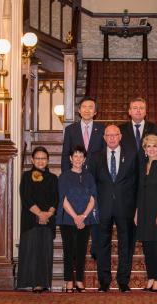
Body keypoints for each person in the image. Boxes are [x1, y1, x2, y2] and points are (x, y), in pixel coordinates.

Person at [90, 125, 138, 293]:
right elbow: (92, 184)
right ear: (104, 137)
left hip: (126, 207)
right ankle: (104, 281)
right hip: (103, 207)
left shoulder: (132, 155)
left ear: (120, 136)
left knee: (126, 245)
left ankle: (123, 281)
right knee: (102, 245)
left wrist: (137, 208)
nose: (111, 138)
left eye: (115, 135)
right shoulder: (95, 157)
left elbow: (136, 183)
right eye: (108, 135)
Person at [61, 96, 105, 259]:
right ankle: (75, 248)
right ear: (79, 110)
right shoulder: (71, 130)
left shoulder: (101, 129)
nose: (87, 110)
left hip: (95, 178)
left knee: (93, 211)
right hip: (75, 177)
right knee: (77, 209)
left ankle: (94, 247)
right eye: (84, 107)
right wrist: (67, 177)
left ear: (95, 112)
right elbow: (66, 154)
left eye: (90, 107)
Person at [56, 146, 99, 293]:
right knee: (68, 250)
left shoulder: (89, 176)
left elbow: (93, 198)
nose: (78, 159)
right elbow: (63, 199)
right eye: (75, 156)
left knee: (81, 250)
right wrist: (75, 217)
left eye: (81, 156)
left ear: (85, 159)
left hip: (85, 219)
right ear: (70, 158)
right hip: (68, 219)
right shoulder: (64, 176)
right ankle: (68, 281)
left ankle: (79, 280)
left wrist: (84, 216)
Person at [17, 146, 58, 293]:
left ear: (47, 160)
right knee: (32, 251)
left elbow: (56, 200)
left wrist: (47, 214)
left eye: (44, 158)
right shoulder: (26, 176)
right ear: (32, 160)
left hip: (48, 221)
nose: (41, 161)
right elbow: (26, 198)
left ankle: (44, 282)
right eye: (38, 158)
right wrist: (40, 214)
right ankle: (33, 282)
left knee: (44, 252)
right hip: (31, 220)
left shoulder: (53, 178)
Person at [134, 134, 157, 293]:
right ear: (144, 149)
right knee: (147, 247)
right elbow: (139, 191)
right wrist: (136, 211)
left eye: (154, 146)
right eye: (148, 146)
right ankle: (150, 277)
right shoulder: (142, 165)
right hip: (143, 212)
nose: (151, 149)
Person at [119, 97, 157, 164]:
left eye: (141, 108)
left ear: (145, 112)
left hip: (148, 168)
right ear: (129, 112)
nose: (138, 110)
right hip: (127, 170)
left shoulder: (154, 129)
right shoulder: (120, 130)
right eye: (135, 108)